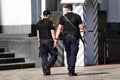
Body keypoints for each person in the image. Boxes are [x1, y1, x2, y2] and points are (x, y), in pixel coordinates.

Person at [54, 4, 85, 76]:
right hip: (74, 37)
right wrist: (83, 26)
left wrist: (56, 39)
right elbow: (81, 27)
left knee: (68, 54)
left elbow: (59, 28)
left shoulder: (63, 17)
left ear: (66, 9)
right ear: (72, 8)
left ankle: (70, 70)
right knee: (73, 54)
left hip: (66, 37)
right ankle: (71, 71)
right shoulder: (77, 16)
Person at [37, 10, 58, 76]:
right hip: (49, 41)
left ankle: (45, 72)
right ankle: (47, 66)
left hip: (42, 41)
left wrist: (39, 42)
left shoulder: (39, 23)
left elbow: (38, 33)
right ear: (48, 15)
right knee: (54, 54)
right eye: (50, 15)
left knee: (44, 57)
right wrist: (55, 40)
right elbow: (52, 32)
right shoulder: (50, 22)